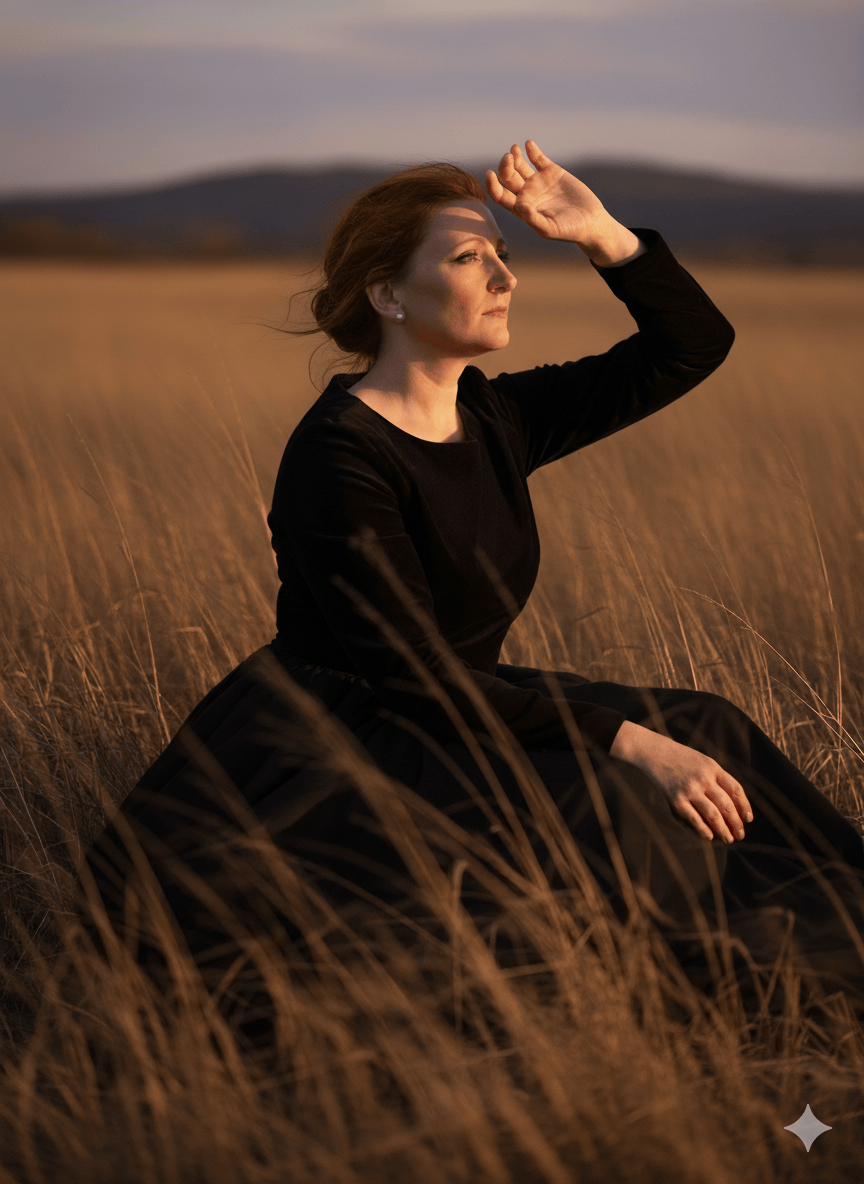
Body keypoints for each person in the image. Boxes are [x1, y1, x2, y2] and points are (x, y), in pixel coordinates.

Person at [77, 141, 864, 1010]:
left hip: (461, 701)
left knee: (706, 726)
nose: (504, 276)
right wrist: (625, 738)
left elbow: (692, 346)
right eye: (467, 257)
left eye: (503, 254)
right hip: (348, 736)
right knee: (628, 787)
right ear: (387, 295)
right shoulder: (340, 456)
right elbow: (413, 678)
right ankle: (720, 993)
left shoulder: (493, 415)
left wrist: (600, 234)